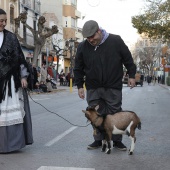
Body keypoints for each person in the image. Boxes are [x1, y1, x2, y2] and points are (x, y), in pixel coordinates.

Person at [74, 20, 136, 150]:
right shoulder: (83, 47)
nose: (90, 40)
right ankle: (98, 140)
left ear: (99, 31)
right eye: (88, 38)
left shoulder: (115, 41)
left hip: (112, 86)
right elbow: (78, 68)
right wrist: (79, 85)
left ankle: (117, 140)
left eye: (92, 36)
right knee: (94, 114)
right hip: (93, 87)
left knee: (115, 114)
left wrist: (131, 75)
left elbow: (128, 59)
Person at [0, 8, 33, 153]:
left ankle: (11, 144)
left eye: (5, 20)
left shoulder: (12, 37)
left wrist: (24, 76)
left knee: (8, 114)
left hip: (10, 83)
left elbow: (20, 58)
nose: (4, 23)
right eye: (1, 21)